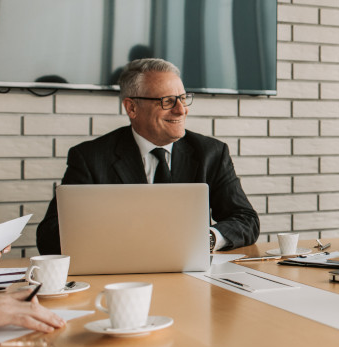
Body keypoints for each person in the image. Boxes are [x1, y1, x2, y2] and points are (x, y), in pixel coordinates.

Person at [36, 58, 260, 254]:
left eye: (183, 98)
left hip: (192, 276)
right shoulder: (90, 157)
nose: (181, 110)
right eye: (167, 101)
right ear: (132, 108)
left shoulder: (211, 152)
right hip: (121, 277)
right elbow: (50, 236)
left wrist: (208, 239)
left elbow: (246, 220)